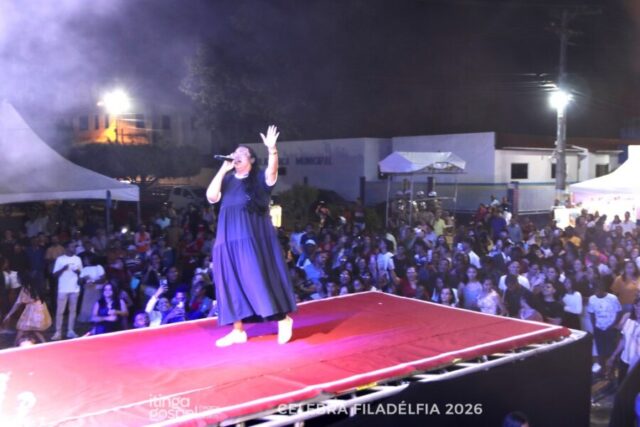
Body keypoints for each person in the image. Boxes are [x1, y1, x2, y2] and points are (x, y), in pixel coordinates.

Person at [206, 125, 296, 347]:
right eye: (234, 153)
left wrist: (272, 150)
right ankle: (238, 330)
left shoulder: (258, 180)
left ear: (252, 160)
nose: (236, 156)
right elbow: (211, 197)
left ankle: (282, 320)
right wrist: (223, 170)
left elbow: (272, 173)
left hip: (249, 238)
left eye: (242, 153)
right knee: (230, 284)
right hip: (227, 239)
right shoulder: (227, 180)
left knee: (256, 279)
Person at [51, 242, 83, 340]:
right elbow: (54, 274)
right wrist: (63, 269)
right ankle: (58, 332)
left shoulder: (77, 259)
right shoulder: (60, 259)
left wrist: (77, 271)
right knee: (60, 311)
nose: (74, 248)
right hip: (63, 289)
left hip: (74, 288)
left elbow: (81, 273)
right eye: (72, 246)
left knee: (73, 311)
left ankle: (70, 331)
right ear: (66, 248)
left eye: (74, 247)